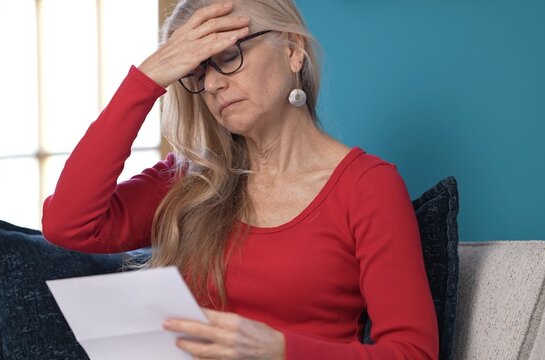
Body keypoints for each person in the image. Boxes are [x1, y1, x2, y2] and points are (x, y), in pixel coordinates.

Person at [41, 0, 439, 358]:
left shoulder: (367, 187)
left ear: (292, 50)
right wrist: (145, 80)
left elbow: (411, 353)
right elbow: (68, 225)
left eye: (229, 56)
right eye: (195, 73)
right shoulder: (191, 181)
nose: (212, 84)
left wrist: (281, 350)